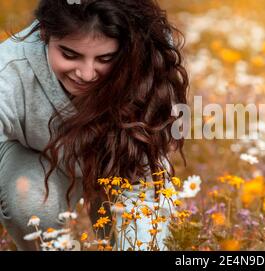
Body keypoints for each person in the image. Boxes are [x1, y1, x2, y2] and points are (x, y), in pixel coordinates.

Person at [0, 0, 188, 251]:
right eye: (70, 54)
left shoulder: (148, 61)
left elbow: (139, 188)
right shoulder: (9, 70)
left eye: (106, 58)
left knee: (140, 242)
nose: (87, 74)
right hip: (36, 154)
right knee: (31, 202)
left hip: (119, 161)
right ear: (45, 34)